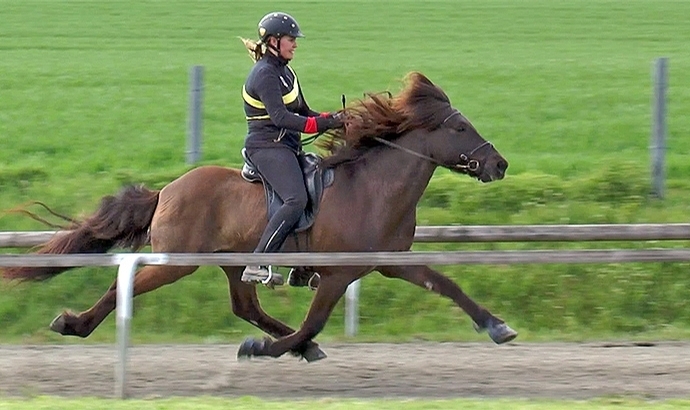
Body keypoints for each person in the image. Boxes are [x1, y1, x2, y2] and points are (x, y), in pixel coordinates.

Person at [239, 12, 343, 285]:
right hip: (266, 148)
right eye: (290, 39)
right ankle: (257, 262)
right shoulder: (264, 75)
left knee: (320, 188)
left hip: (286, 146)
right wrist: (323, 124)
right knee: (296, 199)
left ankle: (302, 268)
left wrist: (335, 120)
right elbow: (282, 118)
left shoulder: (286, 72)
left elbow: (304, 111)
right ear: (273, 41)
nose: (295, 44)